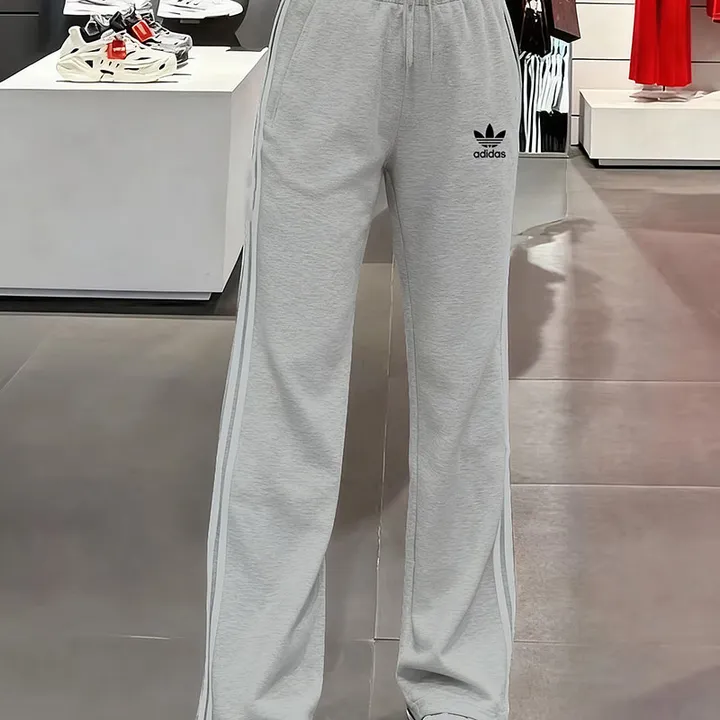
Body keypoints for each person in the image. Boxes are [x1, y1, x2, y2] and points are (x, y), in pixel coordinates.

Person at [196, 0, 521, 718]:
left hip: (468, 34)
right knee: (286, 381)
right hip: (331, 32)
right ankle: (254, 699)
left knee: (465, 385)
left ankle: (462, 688)